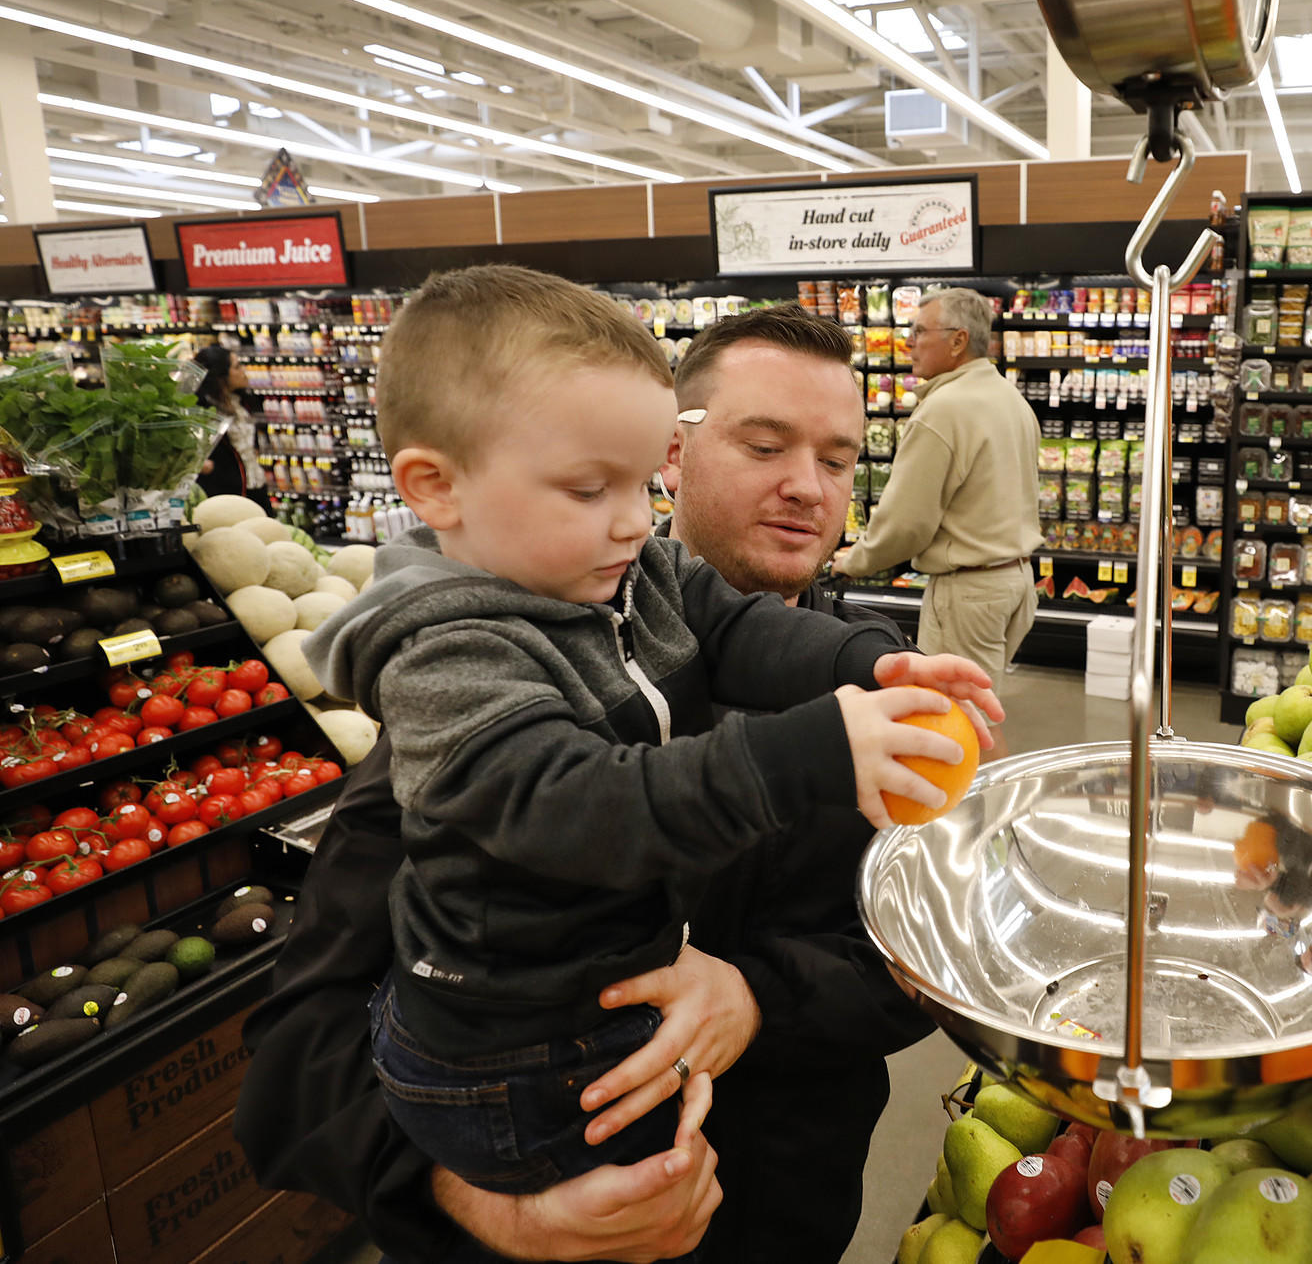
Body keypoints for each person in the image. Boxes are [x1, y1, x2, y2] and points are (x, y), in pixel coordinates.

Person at [242, 270, 992, 1257]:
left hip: (783, 1216)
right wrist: (486, 1205)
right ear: (674, 452)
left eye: (840, 458)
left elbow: (925, 957)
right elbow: (296, 1051)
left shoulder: (883, 693)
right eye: (763, 445)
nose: (807, 486)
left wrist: (758, 994)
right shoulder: (494, 676)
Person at [832, 287, 1042, 750]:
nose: (908, 342)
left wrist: (854, 560)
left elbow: (907, 521)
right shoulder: (1011, 400)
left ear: (957, 340)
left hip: (969, 592)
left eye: (919, 331)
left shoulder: (944, 410)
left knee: (963, 723)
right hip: (1016, 582)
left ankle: (974, 816)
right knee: (981, 707)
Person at [192, 344, 271, 508]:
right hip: (224, 494)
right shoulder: (202, 410)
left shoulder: (242, 402)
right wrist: (207, 467)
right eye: (237, 367)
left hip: (255, 485)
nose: (244, 370)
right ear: (221, 376)